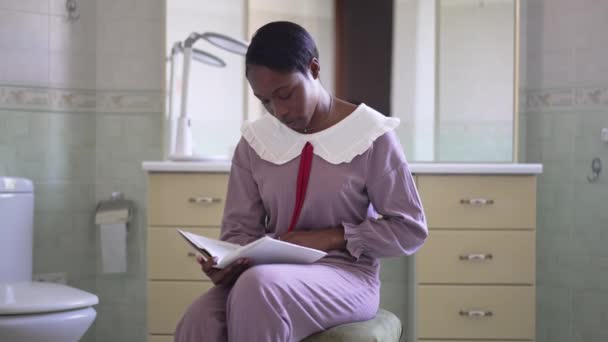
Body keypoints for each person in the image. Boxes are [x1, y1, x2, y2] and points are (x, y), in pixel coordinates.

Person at [174, 21, 428, 342]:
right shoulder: (255, 142)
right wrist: (226, 265)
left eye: (286, 94)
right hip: (264, 275)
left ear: (314, 69)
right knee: (199, 319)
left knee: (259, 288)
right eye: (265, 100)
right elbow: (240, 231)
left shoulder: (371, 135)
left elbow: (410, 230)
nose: (278, 111)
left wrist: (332, 237)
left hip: (346, 276)